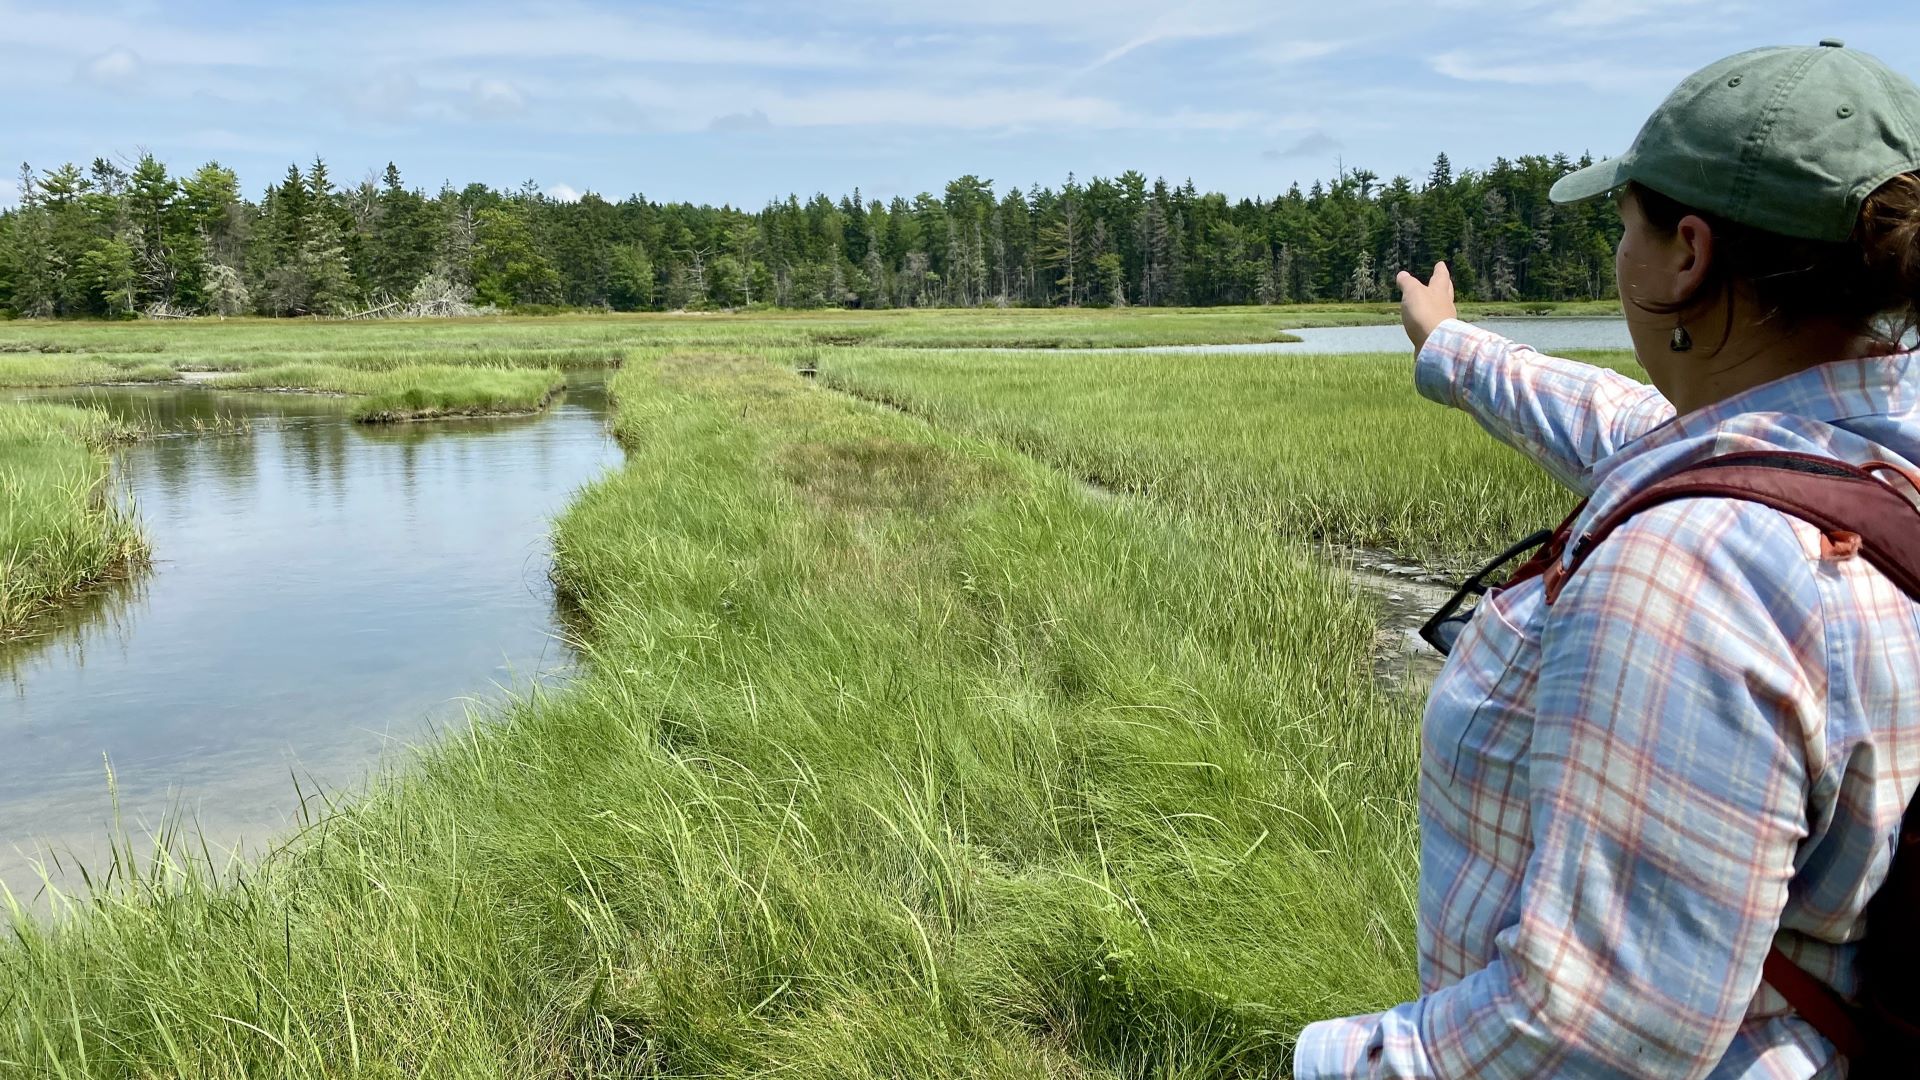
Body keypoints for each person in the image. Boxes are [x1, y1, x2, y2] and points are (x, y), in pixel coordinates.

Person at [1293, 41, 1920, 1078]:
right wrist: (1445, 343)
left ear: (1688, 252)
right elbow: (1615, 421)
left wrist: (1318, 1063)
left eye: (1623, 226)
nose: (1616, 258)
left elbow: (1588, 1034)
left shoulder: (1697, 568)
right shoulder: (1849, 447)